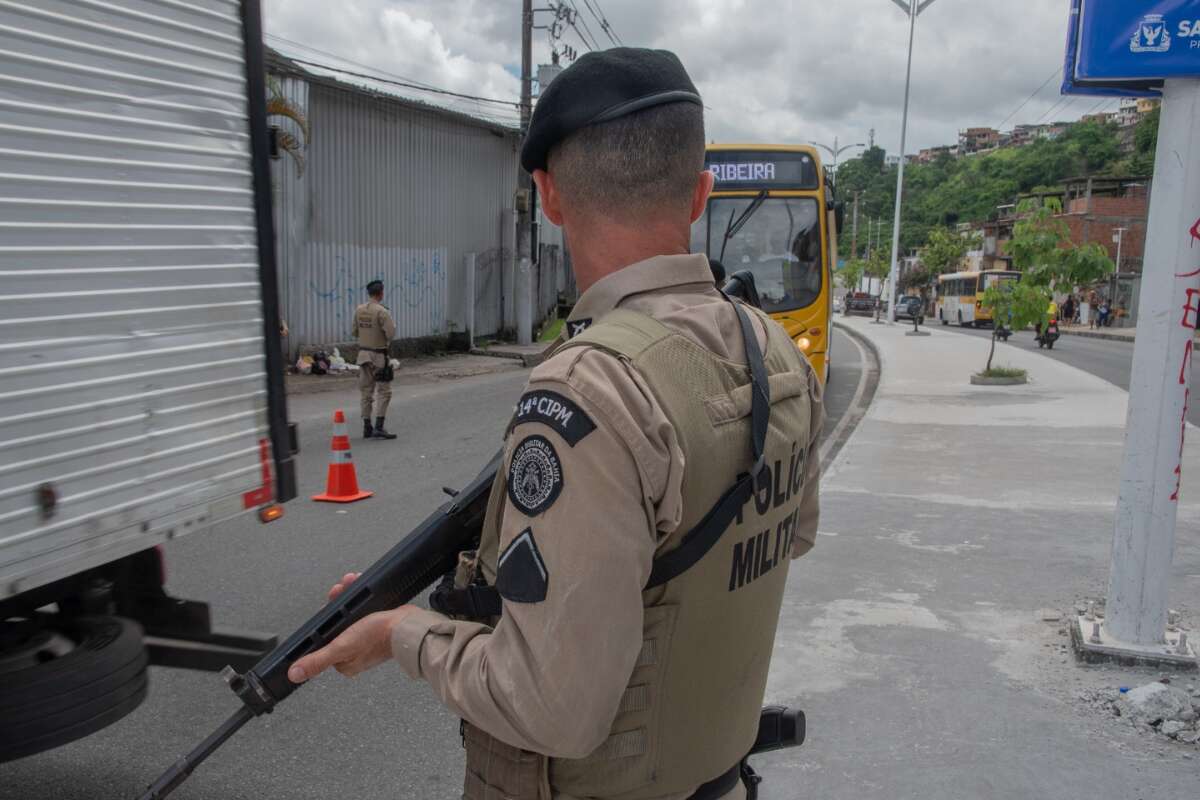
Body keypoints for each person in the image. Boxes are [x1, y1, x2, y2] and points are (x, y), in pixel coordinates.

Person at [288, 48, 823, 800]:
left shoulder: (588, 389)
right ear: (701, 193)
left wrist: (399, 635)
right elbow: (785, 536)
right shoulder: (773, 351)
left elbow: (553, 710)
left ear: (549, 195)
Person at [352, 280, 397, 440]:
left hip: (363, 355)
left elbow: (354, 332)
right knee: (384, 391)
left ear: (369, 293)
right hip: (379, 356)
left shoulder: (359, 310)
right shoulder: (382, 311)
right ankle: (379, 426)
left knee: (366, 392)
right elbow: (391, 334)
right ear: (381, 293)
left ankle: (367, 426)